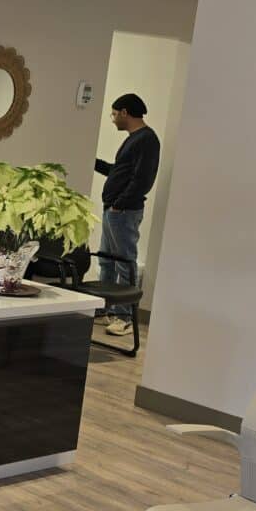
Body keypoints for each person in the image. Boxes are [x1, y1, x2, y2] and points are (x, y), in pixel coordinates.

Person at [94, 93, 160, 337]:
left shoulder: (147, 140)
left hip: (124, 211)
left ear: (125, 112)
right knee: (106, 260)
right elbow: (120, 172)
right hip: (114, 209)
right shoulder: (134, 139)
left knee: (124, 262)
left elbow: (142, 179)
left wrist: (120, 204)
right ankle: (105, 307)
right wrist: (94, 162)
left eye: (114, 114)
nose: (112, 119)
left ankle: (123, 316)